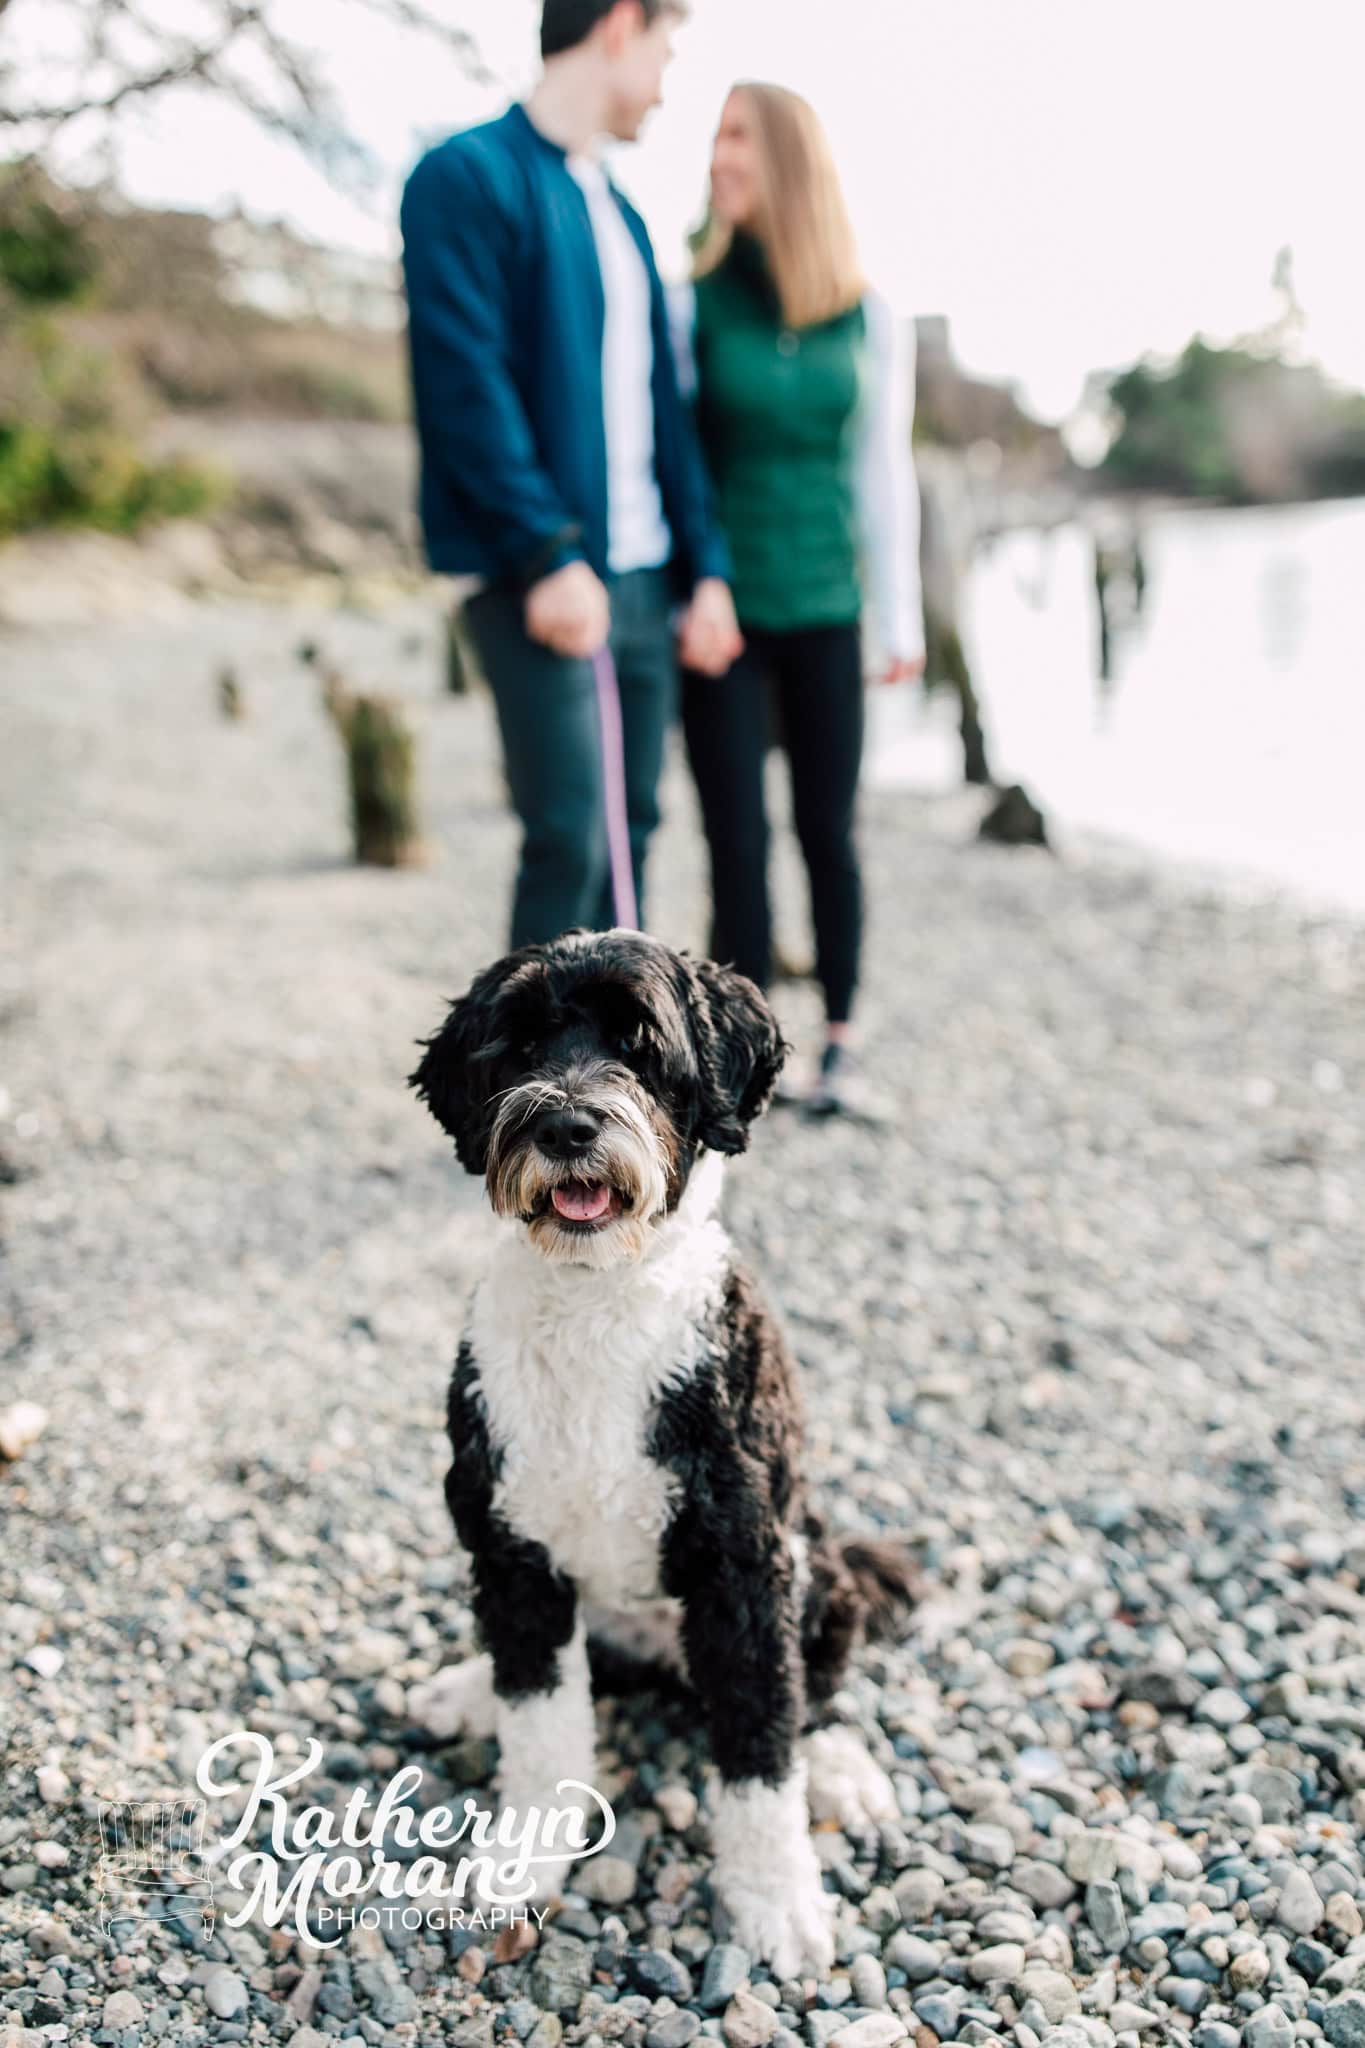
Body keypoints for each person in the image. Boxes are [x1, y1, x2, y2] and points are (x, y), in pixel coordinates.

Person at [400, 0, 741, 949]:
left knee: (632, 838)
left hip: (643, 579)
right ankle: (519, 1096)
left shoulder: (624, 216)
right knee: (568, 842)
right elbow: (464, 388)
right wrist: (546, 551)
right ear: (622, 24)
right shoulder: (465, 177)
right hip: (536, 577)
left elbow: (664, 418)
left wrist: (705, 567)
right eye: (668, 48)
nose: (670, 85)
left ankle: (611, 1091)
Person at [673, 83, 925, 1118]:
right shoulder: (689, 296)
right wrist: (699, 582)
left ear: (785, 158)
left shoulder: (870, 312)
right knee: (736, 834)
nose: (718, 157)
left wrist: (899, 614)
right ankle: (743, 1057)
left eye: (737, 138)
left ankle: (841, 1044)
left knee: (830, 827)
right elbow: (673, 455)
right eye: (717, 138)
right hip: (725, 614)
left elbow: (881, 470)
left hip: (826, 604)